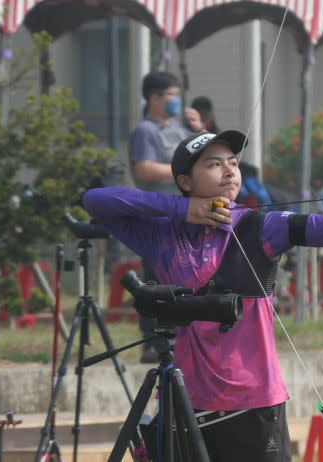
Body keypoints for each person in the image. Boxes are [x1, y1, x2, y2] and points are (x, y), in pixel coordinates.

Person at [83, 129, 323, 461]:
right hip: (188, 402)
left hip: (255, 404)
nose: (229, 170)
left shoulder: (261, 228)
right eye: (214, 163)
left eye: (233, 162)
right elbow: (96, 200)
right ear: (186, 181)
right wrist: (181, 208)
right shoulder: (162, 235)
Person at [129, 71, 204, 362]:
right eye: (170, 95)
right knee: (155, 278)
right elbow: (144, 169)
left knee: (182, 278)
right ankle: (152, 341)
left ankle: (181, 337)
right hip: (156, 217)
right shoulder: (146, 131)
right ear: (153, 98)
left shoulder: (178, 128)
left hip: (183, 215)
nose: (176, 101)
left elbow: (199, 159)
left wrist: (198, 130)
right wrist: (180, 172)